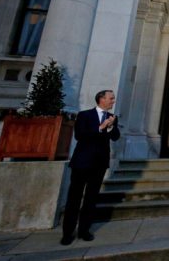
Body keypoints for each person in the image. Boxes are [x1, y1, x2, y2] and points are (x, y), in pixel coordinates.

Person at [61, 90, 121, 246]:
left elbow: (115, 137)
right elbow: (80, 135)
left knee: (91, 198)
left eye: (113, 98)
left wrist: (110, 127)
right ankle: (67, 233)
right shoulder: (84, 115)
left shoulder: (112, 117)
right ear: (101, 99)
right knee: (74, 198)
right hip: (82, 162)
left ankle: (84, 230)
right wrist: (101, 127)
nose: (113, 101)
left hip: (99, 163)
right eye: (111, 98)